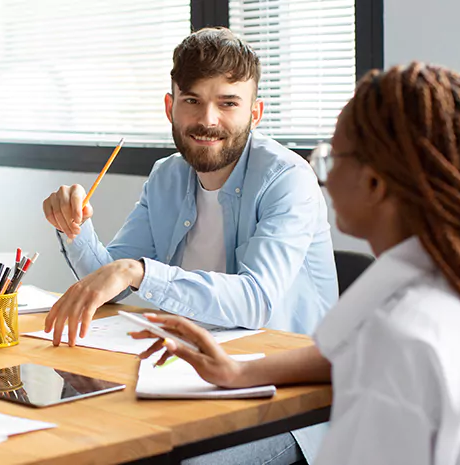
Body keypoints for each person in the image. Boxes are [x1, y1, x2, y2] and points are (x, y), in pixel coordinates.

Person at [133, 62, 460, 465]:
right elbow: (342, 355)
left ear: (375, 183)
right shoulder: (448, 291)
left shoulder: (404, 338)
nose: (323, 176)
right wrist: (236, 371)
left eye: (333, 158)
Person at [42, 27, 336, 464]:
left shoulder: (287, 178)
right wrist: (76, 229)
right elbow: (115, 283)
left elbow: (255, 300)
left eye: (228, 103)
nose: (208, 119)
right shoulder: (167, 175)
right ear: (170, 106)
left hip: (282, 402)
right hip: (183, 375)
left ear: (255, 112)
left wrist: (138, 271)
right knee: (69, 427)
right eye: (192, 100)